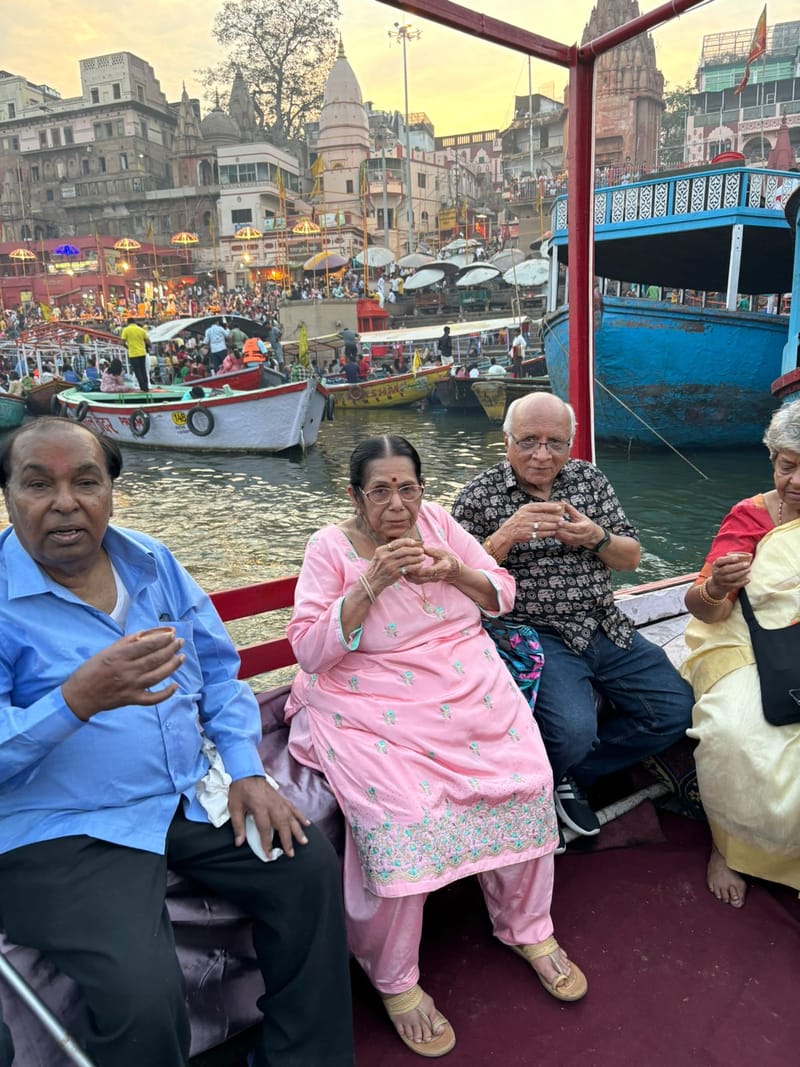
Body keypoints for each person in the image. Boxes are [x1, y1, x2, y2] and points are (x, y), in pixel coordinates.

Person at [0, 418, 355, 1067]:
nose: (64, 501)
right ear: (8, 494)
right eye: (36, 483)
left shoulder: (151, 562)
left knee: (305, 871)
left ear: (110, 489)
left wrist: (247, 770)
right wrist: (75, 699)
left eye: (85, 480)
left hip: (184, 788)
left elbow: (219, 672)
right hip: (68, 826)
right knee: (141, 996)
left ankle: (303, 1057)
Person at [284, 434, 587, 1059]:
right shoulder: (329, 547)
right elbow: (310, 650)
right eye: (381, 491)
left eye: (408, 488)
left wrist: (455, 569)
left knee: (528, 778)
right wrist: (368, 584)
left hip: (464, 678)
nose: (397, 505)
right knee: (400, 818)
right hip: (370, 695)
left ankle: (527, 928)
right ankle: (394, 978)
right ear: (355, 495)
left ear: (422, 489)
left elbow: (502, 594)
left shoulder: (442, 524)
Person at [452, 393, 693, 840]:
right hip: (533, 634)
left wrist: (596, 536)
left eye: (554, 442)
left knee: (675, 709)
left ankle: (569, 777)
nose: (542, 455)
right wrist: (504, 537)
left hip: (603, 624)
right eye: (528, 441)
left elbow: (631, 558)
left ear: (570, 443)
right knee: (573, 730)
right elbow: (455, 582)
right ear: (506, 441)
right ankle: (556, 775)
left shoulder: (589, 480)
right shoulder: (478, 497)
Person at [681, 398, 800, 909]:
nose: (795, 482)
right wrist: (715, 588)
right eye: (787, 465)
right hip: (741, 639)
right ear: (772, 459)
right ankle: (728, 844)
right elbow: (704, 608)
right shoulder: (751, 517)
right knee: (733, 731)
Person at [119, 316, 150, 391]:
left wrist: (128, 347)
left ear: (127, 323)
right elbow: (148, 342)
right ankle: (146, 387)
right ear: (135, 322)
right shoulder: (141, 330)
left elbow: (122, 342)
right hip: (142, 353)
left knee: (137, 371)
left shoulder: (126, 330)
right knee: (143, 370)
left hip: (133, 353)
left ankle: (142, 387)